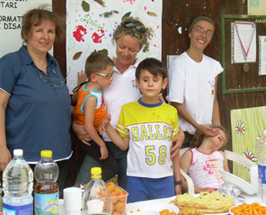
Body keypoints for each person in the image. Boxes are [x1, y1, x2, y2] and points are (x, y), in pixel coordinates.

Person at [73, 16, 184, 189]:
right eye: (121, 47)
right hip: (100, 142)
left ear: (141, 48)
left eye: (132, 49)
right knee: (81, 189)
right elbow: (82, 102)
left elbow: (161, 106)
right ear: (115, 42)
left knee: (128, 200)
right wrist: (75, 126)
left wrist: (179, 131)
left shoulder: (143, 72)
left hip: (131, 147)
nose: (125, 53)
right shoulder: (104, 70)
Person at [0, 5, 71, 197]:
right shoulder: (10, 63)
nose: (45, 37)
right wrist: (0, 148)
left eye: (51, 31)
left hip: (58, 158)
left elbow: (56, 105)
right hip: (23, 160)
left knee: (51, 209)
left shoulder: (54, 65)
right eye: (39, 30)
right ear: (26, 33)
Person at [100, 58, 182, 203]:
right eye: (145, 80)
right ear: (137, 83)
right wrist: (107, 126)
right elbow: (124, 144)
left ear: (164, 83)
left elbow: (174, 150)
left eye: (155, 80)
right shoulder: (128, 110)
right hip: (136, 177)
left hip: (164, 177)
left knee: (165, 212)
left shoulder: (171, 112)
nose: (150, 84)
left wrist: (177, 181)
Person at [166, 16, 223, 148]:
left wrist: (218, 129)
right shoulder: (180, 64)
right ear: (190, 33)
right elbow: (176, 103)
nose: (203, 35)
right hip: (185, 134)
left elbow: (213, 100)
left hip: (207, 134)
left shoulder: (213, 66)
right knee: (184, 168)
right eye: (199, 30)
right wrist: (198, 127)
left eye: (209, 33)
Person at [72, 53, 119, 182]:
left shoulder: (86, 87)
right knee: (113, 167)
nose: (111, 78)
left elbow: (74, 98)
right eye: (108, 75)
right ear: (94, 77)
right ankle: (88, 187)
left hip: (93, 136)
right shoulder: (91, 98)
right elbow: (88, 125)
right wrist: (102, 144)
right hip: (91, 138)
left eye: (112, 74)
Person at [180, 125, 229, 193]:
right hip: (202, 195)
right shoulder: (191, 154)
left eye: (224, 140)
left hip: (224, 192)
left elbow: (229, 178)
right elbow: (179, 181)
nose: (222, 137)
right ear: (206, 133)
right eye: (218, 133)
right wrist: (200, 190)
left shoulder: (221, 155)